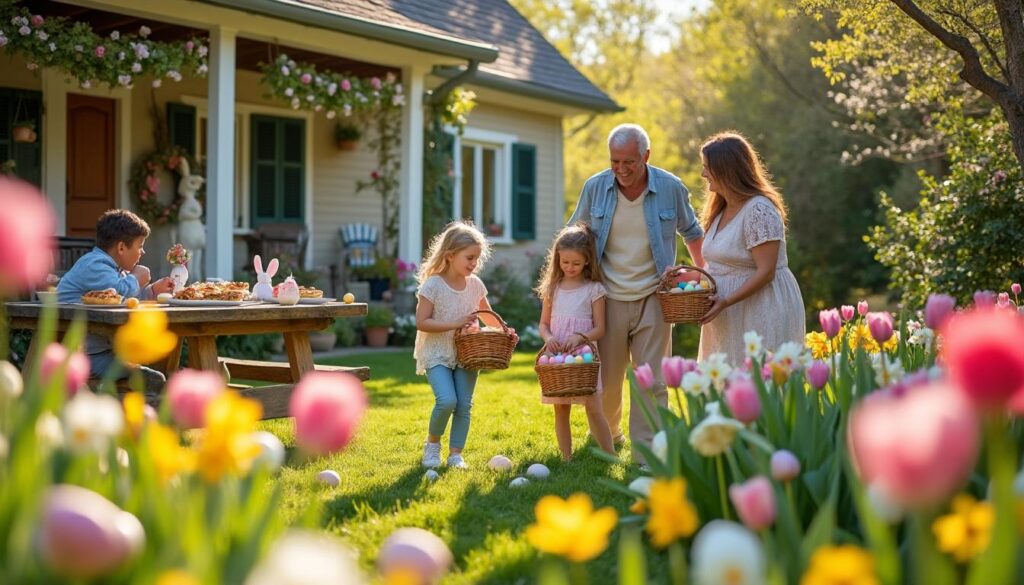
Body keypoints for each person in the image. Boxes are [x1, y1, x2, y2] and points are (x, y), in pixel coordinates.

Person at [569, 124, 704, 465]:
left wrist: (703, 275)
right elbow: (575, 236)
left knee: (652, 379)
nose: (622, 169)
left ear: (646, 155)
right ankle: (608, 434)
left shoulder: (670, 188)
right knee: (608, 378)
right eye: (615, 161)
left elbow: (692, 232)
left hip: (655, 296)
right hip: (608, 296)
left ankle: (648, 449)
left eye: (629, 161)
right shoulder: (596, 187)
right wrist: (565, 286)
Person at [697, 131, 806, 362]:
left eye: (707, 167)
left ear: (726, 169)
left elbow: (766, 272)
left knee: (762, 383)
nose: (703, 173)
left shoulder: (759, 210)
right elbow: (718, 263)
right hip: (727, 313)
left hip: (760, 307)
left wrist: (727, 300)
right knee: (726, 385)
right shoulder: (720, 209)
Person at [414, 220, 511, 469]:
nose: (473, 264)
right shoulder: (433, 285)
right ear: (449, 256)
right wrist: (455, 322)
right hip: (437, 351)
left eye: (477, 259)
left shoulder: (475, 284)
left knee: (464, 404)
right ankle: (432, 445)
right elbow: (422, 322)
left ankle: (455, 454)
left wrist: (503, 329)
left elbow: (485, 314)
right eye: (469, 257)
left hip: (467, 353)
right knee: (447, 400)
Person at [56, 209, 175, 394]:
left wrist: (152, 291)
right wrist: (136, 278)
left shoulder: (114, 269)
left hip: (100, 350)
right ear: (121, 248)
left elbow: (126, 300)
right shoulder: (95, 265)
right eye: (140, 245)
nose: (142, 252)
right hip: (80, 355)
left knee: (153, 366)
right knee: (152, 377)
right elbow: (116, 294)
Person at [535, 223, 615, 460]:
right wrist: (549, 339)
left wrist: (580, 337)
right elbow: (543, 324)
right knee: (560, 408)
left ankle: (610, 455)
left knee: (594, 407)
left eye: (576, 263)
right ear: (557, 259)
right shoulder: (553, 288)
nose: (569, 267)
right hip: (558, 355)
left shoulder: (594, 289)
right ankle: (566, 458)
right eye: (564, 262)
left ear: (588, 261)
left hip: (584, 355)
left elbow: (601, 328)